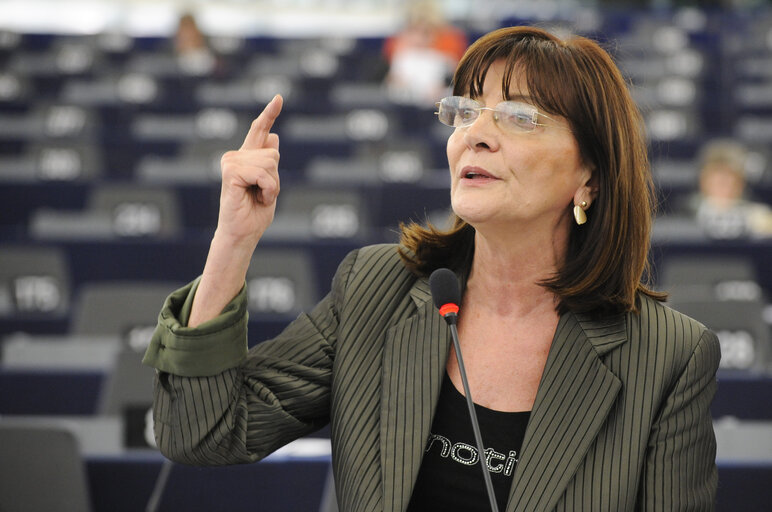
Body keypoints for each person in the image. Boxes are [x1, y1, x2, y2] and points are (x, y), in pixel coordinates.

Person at [143, 26, 720, 511]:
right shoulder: (377, 288)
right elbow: (203, 433)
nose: (476, 135)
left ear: (589, 176)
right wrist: (233, 243)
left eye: (519, 116)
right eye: (466, 110)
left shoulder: (668, 355)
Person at [382, 0, 467, 105]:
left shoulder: (446, 50)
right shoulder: (401, 52)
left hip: (436, 103)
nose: (419, 38)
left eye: (425, 33)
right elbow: (393, 79)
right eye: (414, 31)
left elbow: (454, 76)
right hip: (405, 102)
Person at [688, 138, 772, 239]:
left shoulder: (758, 214)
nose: (723, 185)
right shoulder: (685, 211)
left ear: (741, 183)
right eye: (716, 179)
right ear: (702, 181)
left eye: (729, 179)